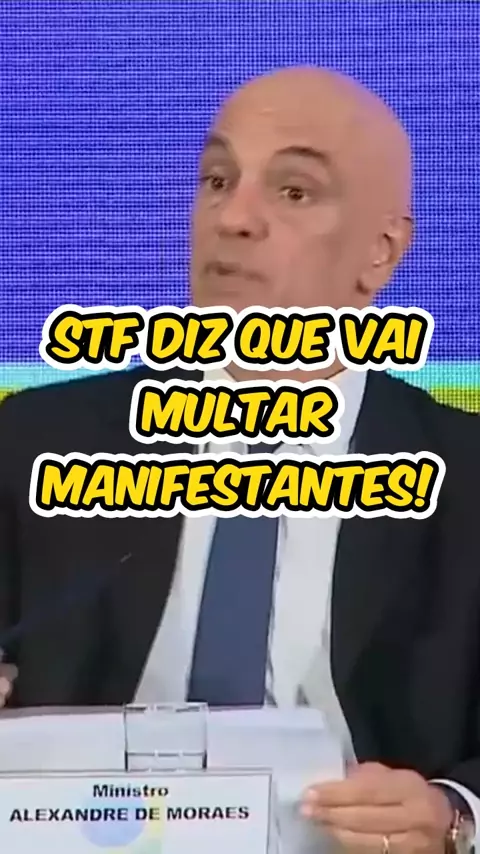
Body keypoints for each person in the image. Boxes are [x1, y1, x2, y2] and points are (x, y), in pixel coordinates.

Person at [0, 66, 479, 854]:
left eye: (293, 191)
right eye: (218, 180)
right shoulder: (41, 441)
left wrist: (454, 814)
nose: (233, 218)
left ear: (381, 252)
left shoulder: (463, 476)